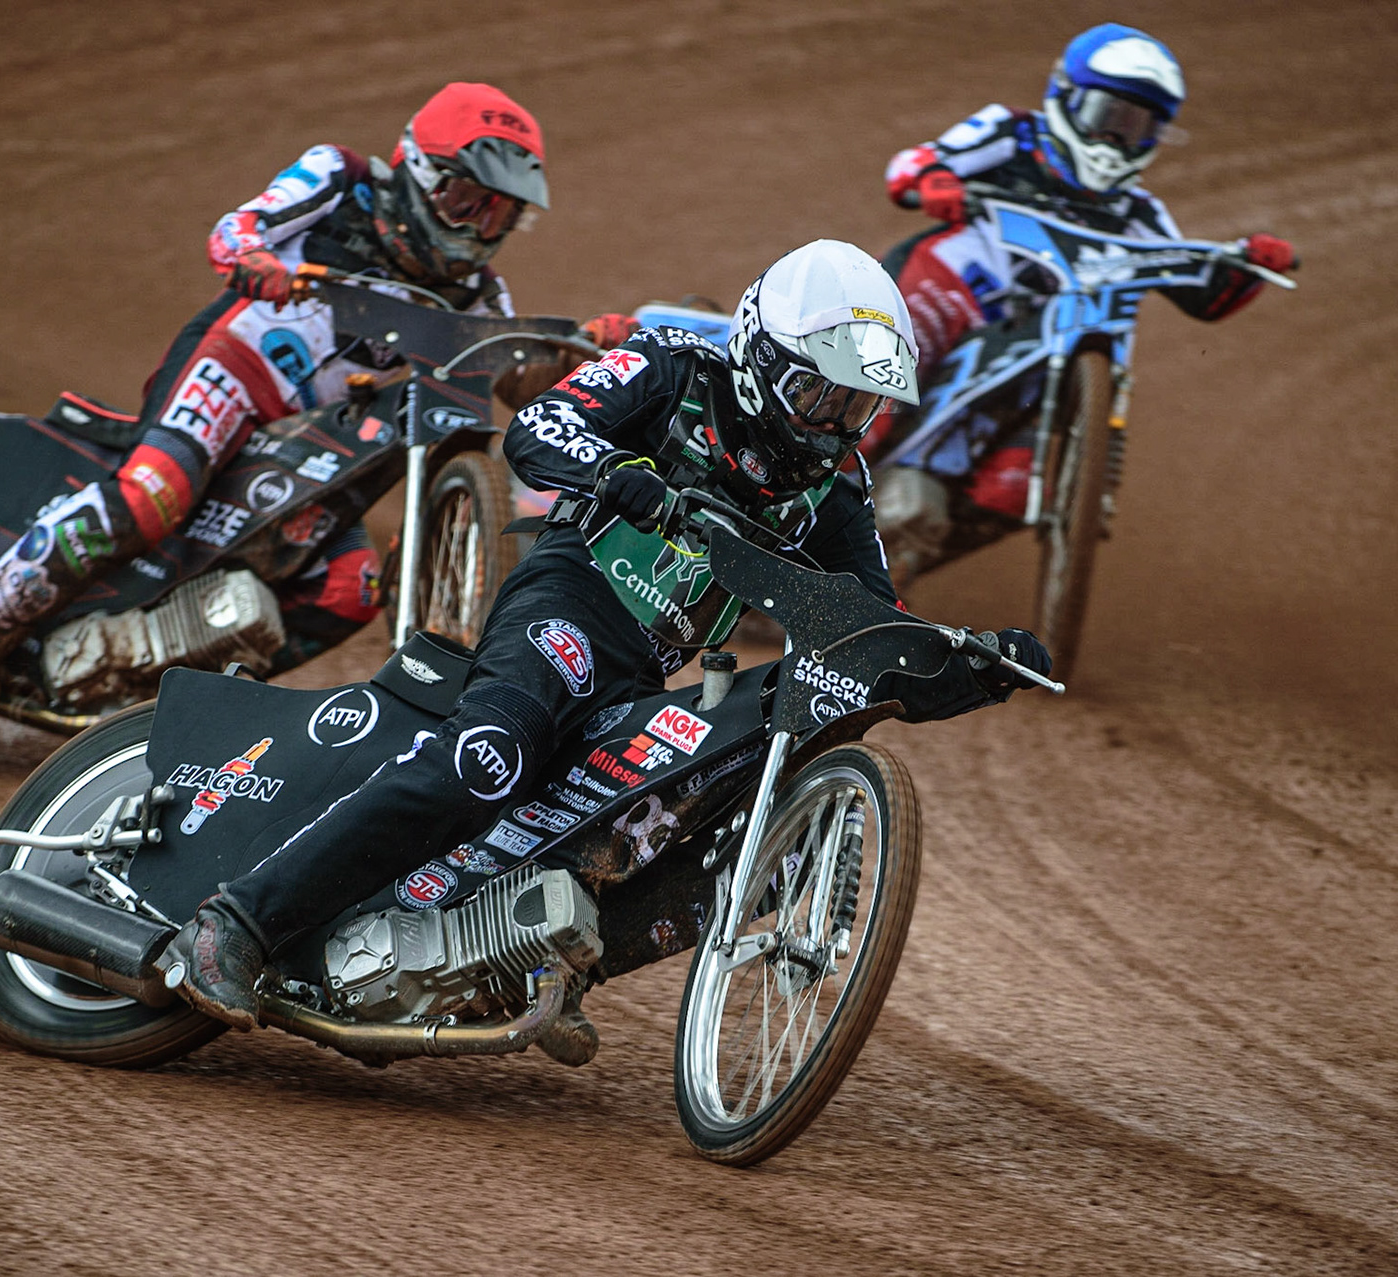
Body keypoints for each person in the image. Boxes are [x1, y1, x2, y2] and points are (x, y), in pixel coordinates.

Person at [167, 239, 1053, 1049]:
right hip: (568, 603)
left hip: (644, 672)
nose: (831, 424)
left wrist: (975, 663)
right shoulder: (673, 367)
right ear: (761, 358)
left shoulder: (836, 488)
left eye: (855, 406)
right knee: (491, 757)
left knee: (686, 802)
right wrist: (614, 472)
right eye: (819, 394)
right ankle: (237, 923)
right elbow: (539, 428)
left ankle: (533, 952)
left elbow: (870, 628)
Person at [0, 82, 620, 704]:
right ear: (418, 170)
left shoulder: (479, 294)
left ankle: (154, 686)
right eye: (464, 199)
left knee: (349, 590)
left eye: (497, 215)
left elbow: (514, 378)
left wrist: (583, 350)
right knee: (151, 495)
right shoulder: (344, 179)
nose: (475, 229)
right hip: (238, 371)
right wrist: (253, 259)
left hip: (322, 443)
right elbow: (239, 227)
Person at [869, 23, 1298, 557]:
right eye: (1107, 117)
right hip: (952, 287)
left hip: (1043, 345)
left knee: (1012, 490)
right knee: (869, 396)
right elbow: (910, 167)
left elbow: (1204, 296)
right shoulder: (1011, 132)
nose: (1116, 141)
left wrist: (1250, 264)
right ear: (1067, 99)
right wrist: (934, 180)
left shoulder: (1138, 212)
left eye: (1137, 127)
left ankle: (877, 572)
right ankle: (785, 503)